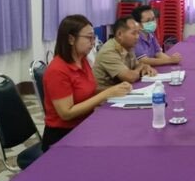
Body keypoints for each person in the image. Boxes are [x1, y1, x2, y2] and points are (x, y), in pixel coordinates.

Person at [42, 15, 132, 151]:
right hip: (63, 135)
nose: (93, 42)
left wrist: (116, 89)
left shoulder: (82, 60)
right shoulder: (57, 70)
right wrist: (106, 93)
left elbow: (87, 91)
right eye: (89, 38)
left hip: (84, 124)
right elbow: (66, 113)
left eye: (93, 38)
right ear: (71, 39)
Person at [93, 16, 157, 87]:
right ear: (119, 34)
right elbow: (130, 77)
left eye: (138, 33)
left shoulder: (128, 46)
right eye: (133, 33)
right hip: (106, 92)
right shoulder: (108, 51)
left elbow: (137, 65)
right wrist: (141, 67)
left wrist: (145, 66)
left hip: (122, 89)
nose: (137, 37)